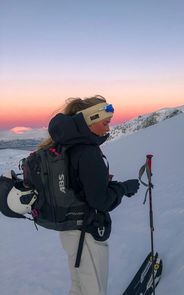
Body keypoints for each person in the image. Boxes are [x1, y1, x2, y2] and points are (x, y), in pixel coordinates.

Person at [39, 95, 140, 295]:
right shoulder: (87, 151)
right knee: (94, 290)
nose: (108, 128)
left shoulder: (64, 144)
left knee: (79, 287)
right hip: (86, 231)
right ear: (90, 120)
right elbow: (100, 201)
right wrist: (124, 188)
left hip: (69, 229)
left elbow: (73, 182)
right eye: (106, 122)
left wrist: (100, 182)